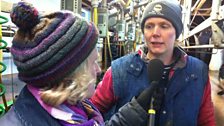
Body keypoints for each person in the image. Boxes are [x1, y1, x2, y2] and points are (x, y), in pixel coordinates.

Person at [0, 2, 154, 126]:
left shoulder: (78, 107)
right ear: (69, 74)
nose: (99, 70)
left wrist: (134, 111)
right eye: (93, 62)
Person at [91, 0, 216, 126]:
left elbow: (206, 121)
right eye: (149, 26)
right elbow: (90, 114)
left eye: (164, 26)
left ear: (176, 32)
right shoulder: (120, 70)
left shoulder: (197, 72)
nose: (155, 33)